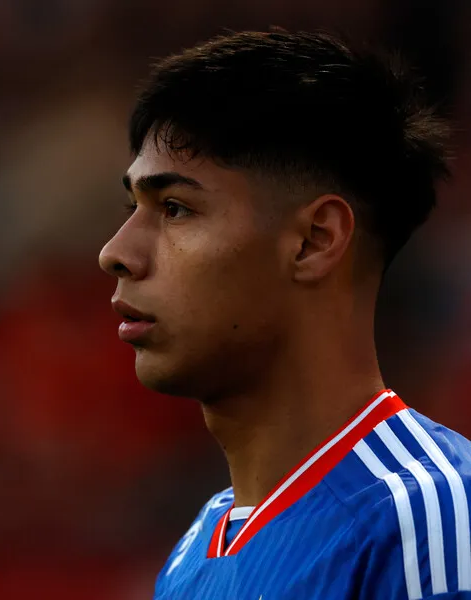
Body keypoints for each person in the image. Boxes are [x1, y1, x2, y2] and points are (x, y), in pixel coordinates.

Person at [98, 29, 470, 599]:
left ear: (314, 241)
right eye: (134, 207)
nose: (115, 253)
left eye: (174, 208)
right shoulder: (191, 554)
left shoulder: (427, 514)